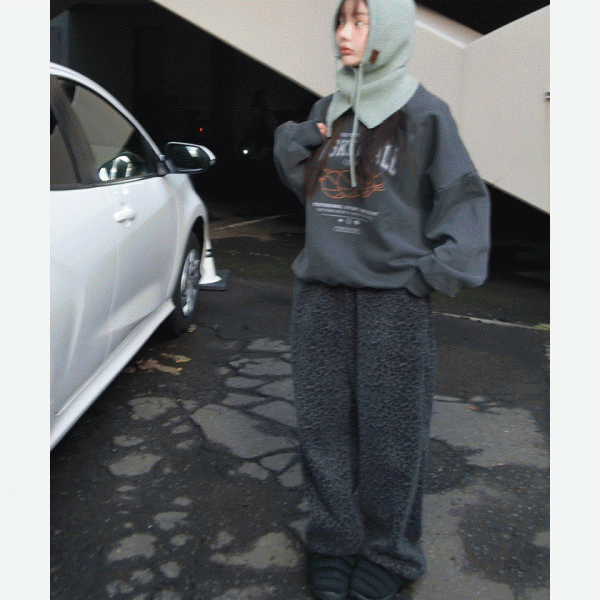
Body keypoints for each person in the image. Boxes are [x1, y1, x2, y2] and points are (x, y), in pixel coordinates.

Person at [273, 1, 490, 599]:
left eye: (361, 20)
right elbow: (305, 183)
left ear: (390, 29)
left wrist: (431, 275)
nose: (345, 33)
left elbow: (463, 200)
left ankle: (390, 552)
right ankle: (334, 540)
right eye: (341, 20)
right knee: (322, 431)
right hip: (321, 294)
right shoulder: (327, 110)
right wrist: (299, 137)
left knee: (392, 437)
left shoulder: (424, 113)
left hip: (392, 303)